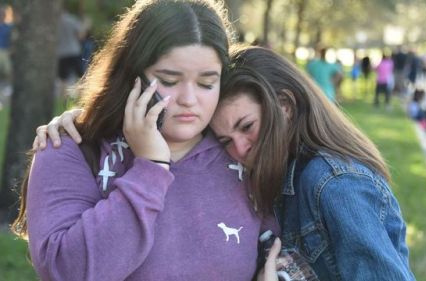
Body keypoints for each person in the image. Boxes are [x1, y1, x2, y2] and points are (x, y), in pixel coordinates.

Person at [35, 46, 416, 280]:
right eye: (224, 140)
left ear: (284, 106)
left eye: (247, 127)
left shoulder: (334, 185)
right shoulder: (276, 174)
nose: (239, 150)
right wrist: (87, 120)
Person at [12, 1, 273, 280]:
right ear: (130, 75)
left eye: (206, 83)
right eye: (169, 80)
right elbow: (66, 271)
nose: (189, 99)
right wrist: (151, 169)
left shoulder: (243, 152)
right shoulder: (70, 148)